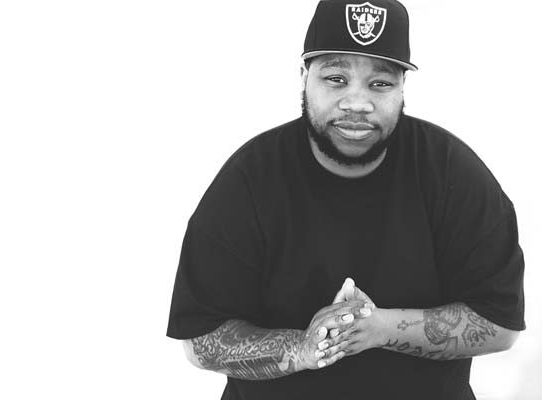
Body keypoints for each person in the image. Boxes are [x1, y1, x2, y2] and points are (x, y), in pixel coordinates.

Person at [166, 0, 526, 398]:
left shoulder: (452, 172)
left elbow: (501, 323)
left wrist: (379, 328)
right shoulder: (248, 180)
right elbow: (199, 340)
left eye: (380, 83)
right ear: (304, 77)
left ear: (402, 88)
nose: (357, 103)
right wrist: (302, 348)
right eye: (336, 79)